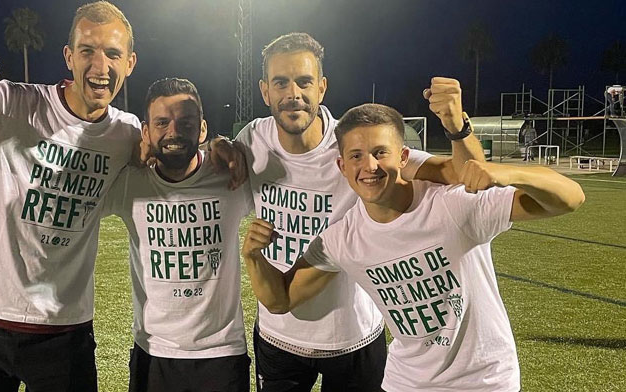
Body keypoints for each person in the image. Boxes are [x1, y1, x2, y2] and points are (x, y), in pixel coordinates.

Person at [0, 2, 243, 391]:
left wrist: (220, 145)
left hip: (63, 331)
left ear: (130, 63)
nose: (100, 65)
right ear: (68, 56)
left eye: (112, 53)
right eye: (88, 50)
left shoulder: (125, 134)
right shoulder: (11, 102)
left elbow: (175, 147)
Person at [241, 103, 585, 391]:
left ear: (404, 156)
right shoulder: (342, 239)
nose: (369, 167)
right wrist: (254, 257)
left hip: (483, 382)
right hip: (405, 383)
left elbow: (569, 198)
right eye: (356, 156)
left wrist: (508, 174)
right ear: (342, 166)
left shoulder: (453, 206)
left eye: (380, 153)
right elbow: (279, 300)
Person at [232, 32, 485, 391]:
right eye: (280, 83)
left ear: (321, 87)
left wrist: (458, 127)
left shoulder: (355, 145)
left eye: (304, 81)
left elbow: (465, 175)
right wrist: (214, 147)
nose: (293, 94)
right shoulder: (251, 140)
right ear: (264, 91)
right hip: (279, 337)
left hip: (355, 334)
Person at [100, 77, 253, 391]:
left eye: (186, 123)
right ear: (146, 131)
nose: (174, 133)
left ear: (203, 129)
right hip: (154, 353)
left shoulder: (232, 177)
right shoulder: (130, 183)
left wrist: (222, 144)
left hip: (222, 354)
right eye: (162, 122)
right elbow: (69, 196)